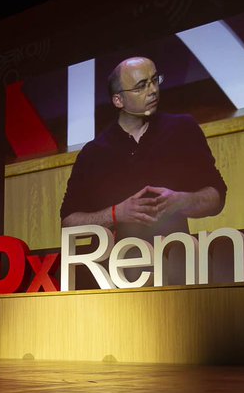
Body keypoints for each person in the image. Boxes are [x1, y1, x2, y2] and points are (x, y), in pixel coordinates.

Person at [59, 56, 227, 283]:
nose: (153, 91)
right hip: (113, 279)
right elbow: (68, 222)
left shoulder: (183, 129)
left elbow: (217, 196)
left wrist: (181, 201)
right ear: (118, 100)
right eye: (141, 86)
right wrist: (116, 214)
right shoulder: (93, 152)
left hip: (177, 272)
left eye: (155, 80)